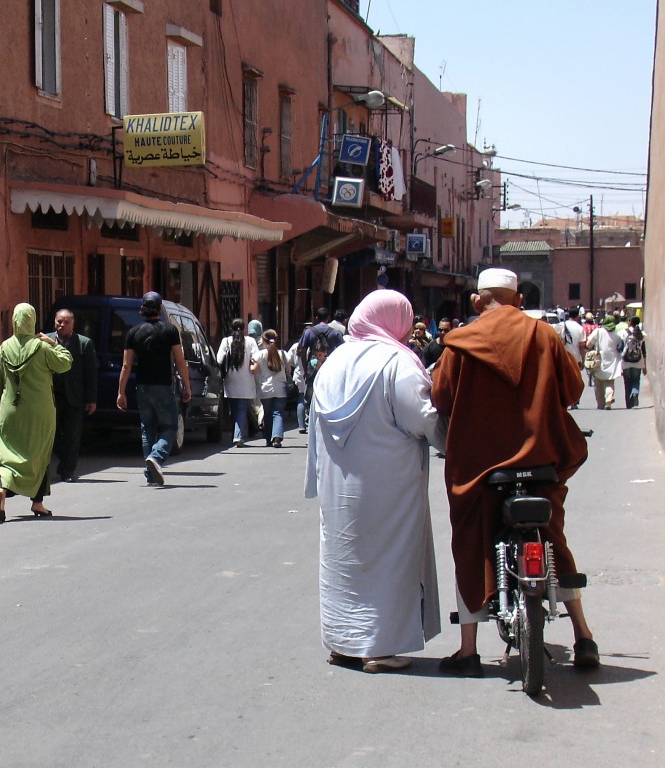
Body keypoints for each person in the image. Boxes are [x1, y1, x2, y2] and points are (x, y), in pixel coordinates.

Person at [431, 268, 598, 676]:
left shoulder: (460, 343)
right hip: (540, 461)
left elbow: (441, 397)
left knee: (470, 543)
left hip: (480, 469)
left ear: (477, 301)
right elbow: (574, 390)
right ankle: (583, 635)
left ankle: (468, 650)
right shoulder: (544, 335)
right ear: (519, 300)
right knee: (552, 538)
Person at [305, 289, 446, 673]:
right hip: (389, 485)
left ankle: (343, 642)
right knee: (389, 557)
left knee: (343, 559)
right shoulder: (395, 362)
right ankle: (378, 647)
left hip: (338, 486)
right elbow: (422, 417)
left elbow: (315, 426)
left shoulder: (335, 361)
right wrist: (450, 442)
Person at [0, 303, 72, 519]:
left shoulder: (4, 348)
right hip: (39, 412)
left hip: (9, 412)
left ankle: (1, 490)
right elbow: (65, 363)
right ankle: (37, 502)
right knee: (39, 454)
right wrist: (53, 343)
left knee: (8, 456)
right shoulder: (42, 347)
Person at [116, 292, 192, 486]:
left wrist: (121, 392)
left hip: (142, 386)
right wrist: (187, 385)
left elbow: (126, 365)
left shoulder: (133, 332)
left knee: (147, 428)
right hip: (163, 385)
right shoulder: (170, 331)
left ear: (143, 309)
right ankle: (156, 457)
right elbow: (180, 360)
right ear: (160, 309)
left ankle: (151, 474)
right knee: (170, 427)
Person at [47, 309, 97, 483]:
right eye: (59, 321)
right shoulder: (45, 341)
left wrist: (91, 399)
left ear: (73, 324)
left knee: (72, 436)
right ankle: (63, 460)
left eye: (66, 322)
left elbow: (90, 373)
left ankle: (67, 471)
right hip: (51, 396)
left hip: (74, 397)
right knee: (51, 435)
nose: (62, 325)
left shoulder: (84, 343)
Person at [216, 318, 260, 447]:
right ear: (244, 328)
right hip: (246, 381)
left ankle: (236, 434)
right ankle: (238, 436)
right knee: (241, 409)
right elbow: (257, 358)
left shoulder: (226, 341)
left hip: (230, 380)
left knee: (234, 409)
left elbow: (219, 360)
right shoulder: (250, 341)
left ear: (231, 328)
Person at [253, 329, 288, 447]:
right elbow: (289, 368)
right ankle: (277, 437)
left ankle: (268, 438)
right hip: (280, 388)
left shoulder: (260, 354)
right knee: (278, 413)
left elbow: (254, 370)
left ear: (264, 341)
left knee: (267, 414)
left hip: (266, 388)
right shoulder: (282, 354)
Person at [583, 314, 623, 410]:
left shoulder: (598, 331)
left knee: (598, 383)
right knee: (609, 382)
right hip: (613, 361)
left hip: (599, 360)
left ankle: (600, 403)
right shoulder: (617, 334)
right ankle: (608, 400)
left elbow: (588, 344)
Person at [297, 307, 344, 374]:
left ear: (316, 318)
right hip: (330, 368)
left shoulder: (309, 332)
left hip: (313, 368)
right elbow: (343, 350)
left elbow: (302, 351)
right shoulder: (335, 333)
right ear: (328, 317)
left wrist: (305, 370)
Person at [619, 315, 647, 408]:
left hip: (626, 362)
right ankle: (635, 392)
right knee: (636, 380)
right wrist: (645, 366)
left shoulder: (623, 333)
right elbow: (644, 351)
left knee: (627, 382)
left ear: (630, 322)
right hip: (638, 361)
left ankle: (629, 404)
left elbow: (620, 348)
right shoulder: (641, 334)